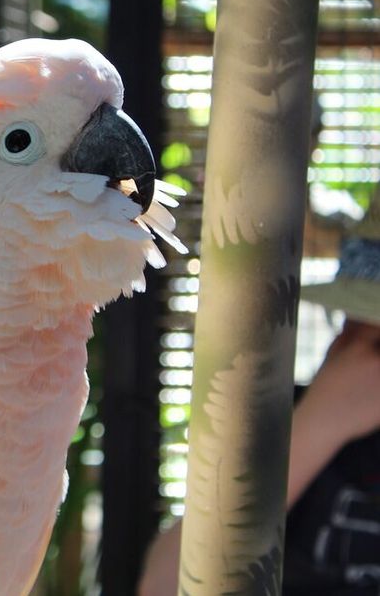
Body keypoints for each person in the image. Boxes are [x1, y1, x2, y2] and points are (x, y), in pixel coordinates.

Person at [139, 192, 380, 595]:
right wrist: (318, 426)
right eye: (356, 325)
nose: (350, 343)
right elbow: (163, 585)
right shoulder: (294, 419)